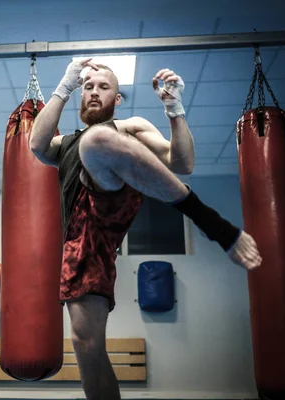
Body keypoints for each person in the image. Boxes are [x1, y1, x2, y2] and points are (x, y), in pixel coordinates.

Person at [29, 58, 262, 400]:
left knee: (95, 141)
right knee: (86, 345)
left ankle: (211, 222)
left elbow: (182, 163)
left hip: (111, 200)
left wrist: (174, 108)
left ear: (117, 99)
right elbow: (36, 144)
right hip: (84, 243)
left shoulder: (130, 126)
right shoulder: (62, 143)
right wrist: (64, 86)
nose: (94, 92)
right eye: (88, 87)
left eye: (104, 87)